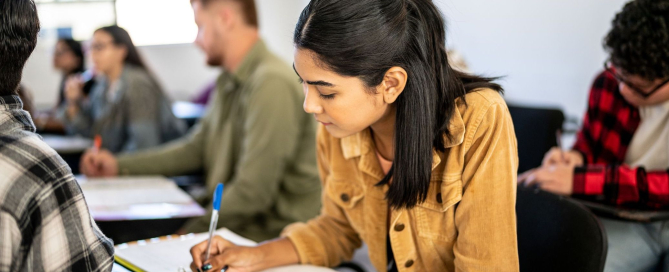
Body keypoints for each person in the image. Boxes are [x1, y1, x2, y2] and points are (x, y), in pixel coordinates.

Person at [189, 0, 520, 271]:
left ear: (390, 84)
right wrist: (254, 255)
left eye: (326, 92)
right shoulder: (337, 126)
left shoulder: (481, 120)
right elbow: (337, 229)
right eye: (303, 83)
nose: (310, 105)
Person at [80, 0, 321, 242]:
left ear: (225, 19)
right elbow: (194, 149)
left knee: (119, 238)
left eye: (200, 27)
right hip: (231, 221)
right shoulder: (227, 81)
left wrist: (187, 232)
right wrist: (118, 166)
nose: (196, 40)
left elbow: (253, 192)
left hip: (266, 233)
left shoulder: (270, 82)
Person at [519, 0, 669, 271]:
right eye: (619, 75)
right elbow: (590, 145)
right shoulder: (608, 83)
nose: (623, 90)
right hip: (627, 220)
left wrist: (582, 181)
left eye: (638, 87)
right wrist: (575, 158)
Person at [0, 0, 115, 271]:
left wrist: (72, 104)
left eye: (100, 46)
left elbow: (82, 128)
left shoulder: (90, 84)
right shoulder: (78, 83)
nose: (55, 55)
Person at [58, 26, 186, 153]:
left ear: (121, 50)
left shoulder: (137, 84)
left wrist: (110, 163)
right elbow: (92, 133)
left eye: (99, 47)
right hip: (124, 165)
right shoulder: (102, 86)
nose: (92, 54)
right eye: (90, 48)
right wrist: (73, 103)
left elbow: (144, 145)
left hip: (156, 167)